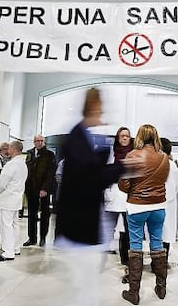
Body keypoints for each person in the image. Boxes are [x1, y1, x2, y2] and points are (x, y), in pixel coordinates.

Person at [55, 88, 125, 306]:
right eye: (100, 106)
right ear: (93, 106)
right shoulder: (77, 139)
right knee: (85, 288)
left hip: (86, 221)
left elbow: (90, 172)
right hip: (80, 225)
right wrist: (122, 168)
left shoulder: (82, 136)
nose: (103, 112)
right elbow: (90, 179)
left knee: (86, 285)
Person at [119, 124, 170, 305]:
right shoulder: (164, 157)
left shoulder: (132, 156)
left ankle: (134, 292)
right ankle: (161, 287)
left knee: (135, 245)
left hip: (137, 207)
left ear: (139, 136)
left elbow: (124, 185)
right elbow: (164, 180)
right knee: (157, 243)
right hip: (158, 207)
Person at [103, 127, 133, 283]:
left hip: (128, 195)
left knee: (127, 229)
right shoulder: (111, 152)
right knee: (108, 226)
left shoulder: (134, 153)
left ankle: (126, 259)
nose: (125, 138)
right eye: (122, 136)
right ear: (118, 138)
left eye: (127, 136)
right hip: (113, 193)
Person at [0, 141, 28, 262]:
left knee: (6, 225)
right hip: (17, 198)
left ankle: (8, 252)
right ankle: (15, 247)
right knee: (14, 224)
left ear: (13, 149)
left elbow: (2, 183)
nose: (8, 150)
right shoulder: (23, 164)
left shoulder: (12, 165)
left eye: (10, 148)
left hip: (7, 199)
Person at [23, 134, 56, 247]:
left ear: (44, 142)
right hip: (31, 189)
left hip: (43, 190)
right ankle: (32, 238)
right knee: (32, 214)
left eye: (42, 141)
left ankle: (43, 238)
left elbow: (51, 173)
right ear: (34, 142)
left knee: (44, 214)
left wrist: (45, 188)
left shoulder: (49, 155)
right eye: (37, 141)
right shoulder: (30, 153)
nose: (40, 142)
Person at [160, 138, 178, 269]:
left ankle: (158, 263)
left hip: (159, 202)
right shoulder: (173, 164)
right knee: (167, 234)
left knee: (159, 233)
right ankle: (163, 262)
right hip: (170, 202)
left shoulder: (158, 162)